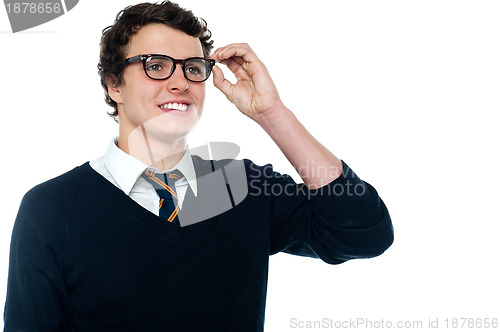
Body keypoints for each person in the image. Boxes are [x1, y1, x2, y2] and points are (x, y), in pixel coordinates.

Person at [3, 1, 393, 331]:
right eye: (156, 65)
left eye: (192, 67)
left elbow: (363, 233)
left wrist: (272, 115)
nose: (179, 82)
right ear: (114, 84)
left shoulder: (243, 187)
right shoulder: (51, 208)